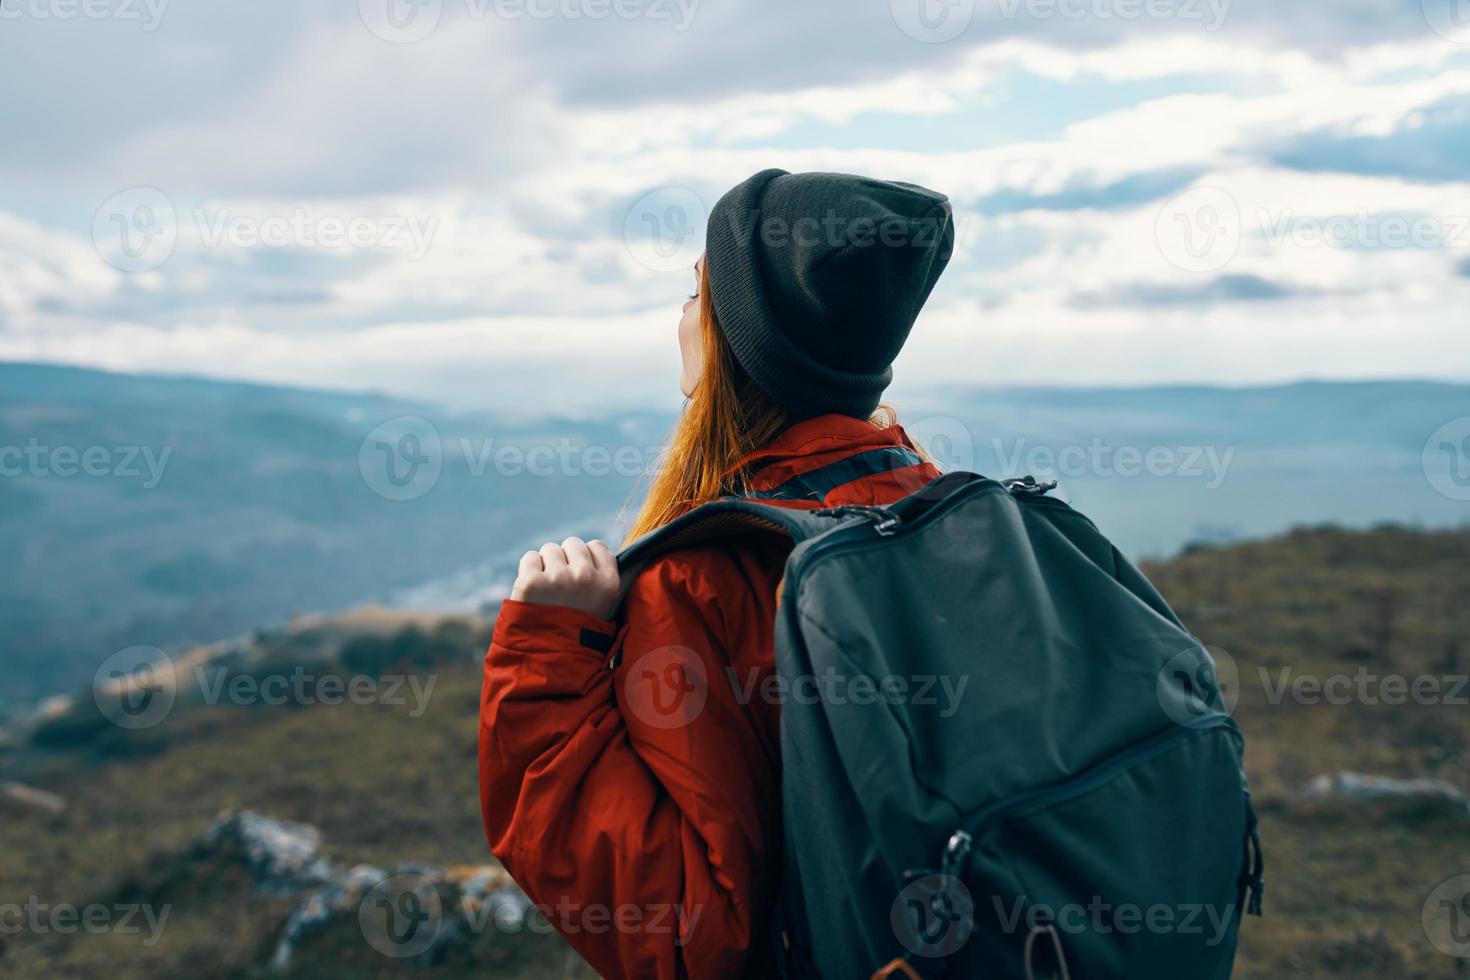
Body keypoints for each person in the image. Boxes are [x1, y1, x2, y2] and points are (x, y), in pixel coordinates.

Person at [479, 168, 955, 979]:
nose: (682, 318)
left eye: (698, 295)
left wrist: (547, 663)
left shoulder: (700, 582)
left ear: (736, 341)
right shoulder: (945, 511)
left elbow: (685, 939)